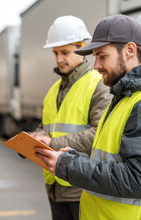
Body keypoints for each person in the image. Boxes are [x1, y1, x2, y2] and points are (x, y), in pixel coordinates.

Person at [34, 14, 141, 220]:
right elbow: (111, 159)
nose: (96, 66)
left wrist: (71, 166)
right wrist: (75, 159)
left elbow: (140, 178)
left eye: (102, 56)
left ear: (130, 50)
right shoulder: (125, 97)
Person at [29, 15, 111, 220]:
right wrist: (36, 137)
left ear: (82, 48)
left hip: (81, 187)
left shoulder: (99, 84)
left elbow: (101, 134)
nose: (59, 59)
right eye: (55, 53)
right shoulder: (53, 90)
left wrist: (52, 142)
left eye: (65, 52)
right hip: (55, 185)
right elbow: (47, 127)